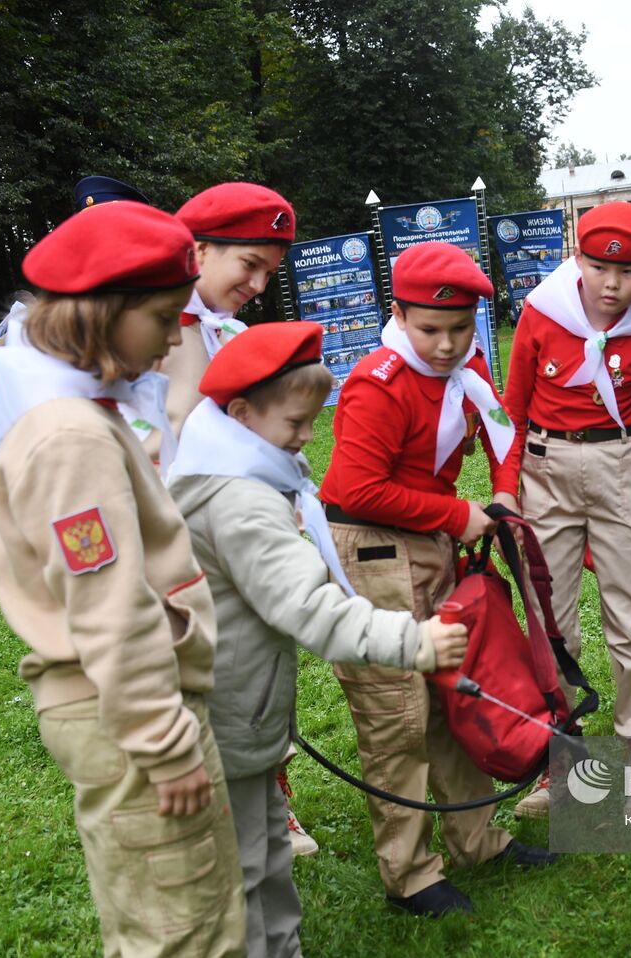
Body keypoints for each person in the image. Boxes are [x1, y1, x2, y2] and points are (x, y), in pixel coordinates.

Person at [0, 201, 246, 955]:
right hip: (130, 713)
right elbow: (108, 605)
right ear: (102, 315)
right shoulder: (71, 437)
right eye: (164, 317)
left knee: (183, 908)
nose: (175, 338)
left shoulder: (75, 412)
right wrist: (164, 743)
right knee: (183, 928)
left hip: (128, 706)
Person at [167, 321, 469, 956]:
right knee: (247, 867)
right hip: (230, 712)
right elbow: (308, 606)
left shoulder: (228, 471)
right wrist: (413, 643)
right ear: (242, 413)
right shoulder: (242, 503)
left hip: (240, 704)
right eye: (296, 424)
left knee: (267, 852)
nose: (308, 439)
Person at [320, 241, 555, 918]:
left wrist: (503, 495)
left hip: (433, 541)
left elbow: (503, 435)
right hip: (374, 554)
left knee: (458, 693)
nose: (448, 345)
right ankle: (409, 874)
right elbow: (355, 488)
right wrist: (459, 513)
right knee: (397, 714)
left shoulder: (469, 369)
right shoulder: (379, 382)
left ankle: (477, 839)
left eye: (460, 329)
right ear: (397, 313)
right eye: (431, 329)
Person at [495, 201, 631, 820]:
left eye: (630, 272)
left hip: (624, 467)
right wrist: (504, 489)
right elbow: (512, 411)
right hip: (545, 470)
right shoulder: (542, 316)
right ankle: (560, 756)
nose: (612, 284)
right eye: (600, 267)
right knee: (549, 619)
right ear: (576, 259)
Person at [160, 182, 295, 449]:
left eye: (268, 273)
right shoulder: (144, 329)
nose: (259, 286)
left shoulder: (228, 330)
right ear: (201, 249)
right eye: (250, 264)